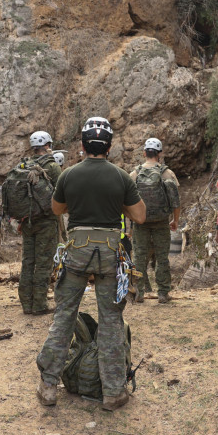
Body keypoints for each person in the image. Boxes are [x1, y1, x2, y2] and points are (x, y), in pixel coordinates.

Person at [36, 117, 146, 411]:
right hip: (111, 253)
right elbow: (140, 216)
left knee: (65, 316)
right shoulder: (122, 177)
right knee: (110, 320)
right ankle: (112, 392)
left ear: (82, 146)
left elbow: (57, 209)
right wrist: (117, 203)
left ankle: (48, 387)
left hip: (77, 253)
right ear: (108, 147)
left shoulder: (68, 175)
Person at [129, 138, 180, 304]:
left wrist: (132, 223)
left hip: (140, 222)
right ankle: (163, 293)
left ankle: (139, 292)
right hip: (161, 222)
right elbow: (175, 201)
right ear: (159, 154)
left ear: (144, 153)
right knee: (162, 257)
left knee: (139, 257)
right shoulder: (167, 173)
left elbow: (128, 202)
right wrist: (175, 221)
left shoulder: (134, 174)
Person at [18, 131, 62, 315]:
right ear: (48, 145)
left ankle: (26, 303)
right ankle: (40, 304)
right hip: (46, 222)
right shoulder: (52, 166)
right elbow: (61, 194)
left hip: (27, 221)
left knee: (28, 261)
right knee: (43, 262)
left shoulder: (23, 165)